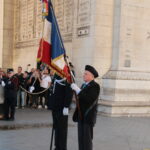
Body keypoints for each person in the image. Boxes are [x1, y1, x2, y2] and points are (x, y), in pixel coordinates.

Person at [71, 65, 100, 150]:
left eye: (86, 74)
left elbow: (89, 99)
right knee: (81, 138)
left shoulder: (95, 86)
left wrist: (78, 90)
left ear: (92, 76)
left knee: (87, 140)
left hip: (88, 116)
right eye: (84, 74)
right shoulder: (84, 85)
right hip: (81, 115)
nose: (84, 75)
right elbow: (80, 98)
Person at [49, 74, 73, 150]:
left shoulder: (67, 75)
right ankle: (57, 146)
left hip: (62, 108)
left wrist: (66, 106)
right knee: (56, 128)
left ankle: (62, 147)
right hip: (55, 107)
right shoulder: (56, 75)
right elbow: (53, 91)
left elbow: (69, 92)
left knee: (62, 130)